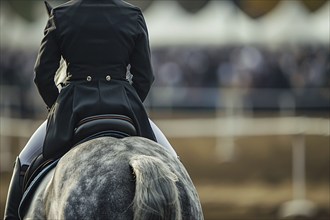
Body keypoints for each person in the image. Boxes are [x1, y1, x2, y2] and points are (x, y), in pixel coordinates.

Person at [4, 0, 177, 219]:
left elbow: (42, 76)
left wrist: (57, 109)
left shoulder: (61, 15)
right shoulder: (133, 14)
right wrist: (127, 102)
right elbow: (145, 77)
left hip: (73, 109)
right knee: (173, 162)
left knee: (25, 160)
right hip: (125, 109)